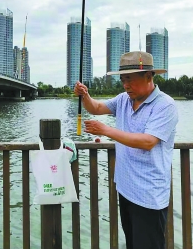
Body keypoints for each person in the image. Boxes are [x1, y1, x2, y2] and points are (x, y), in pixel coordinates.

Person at [74, 51, 178, 249]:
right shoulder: (123, 99)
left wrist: (105, 130)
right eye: (122, 80)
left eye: (129, 80)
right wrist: (85, 95)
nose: (125, 85)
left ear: (149, 77)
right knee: (132, 243)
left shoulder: (165, 105)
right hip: (126, 188)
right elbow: (96, 108)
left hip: (149, 194)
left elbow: (148, 142)